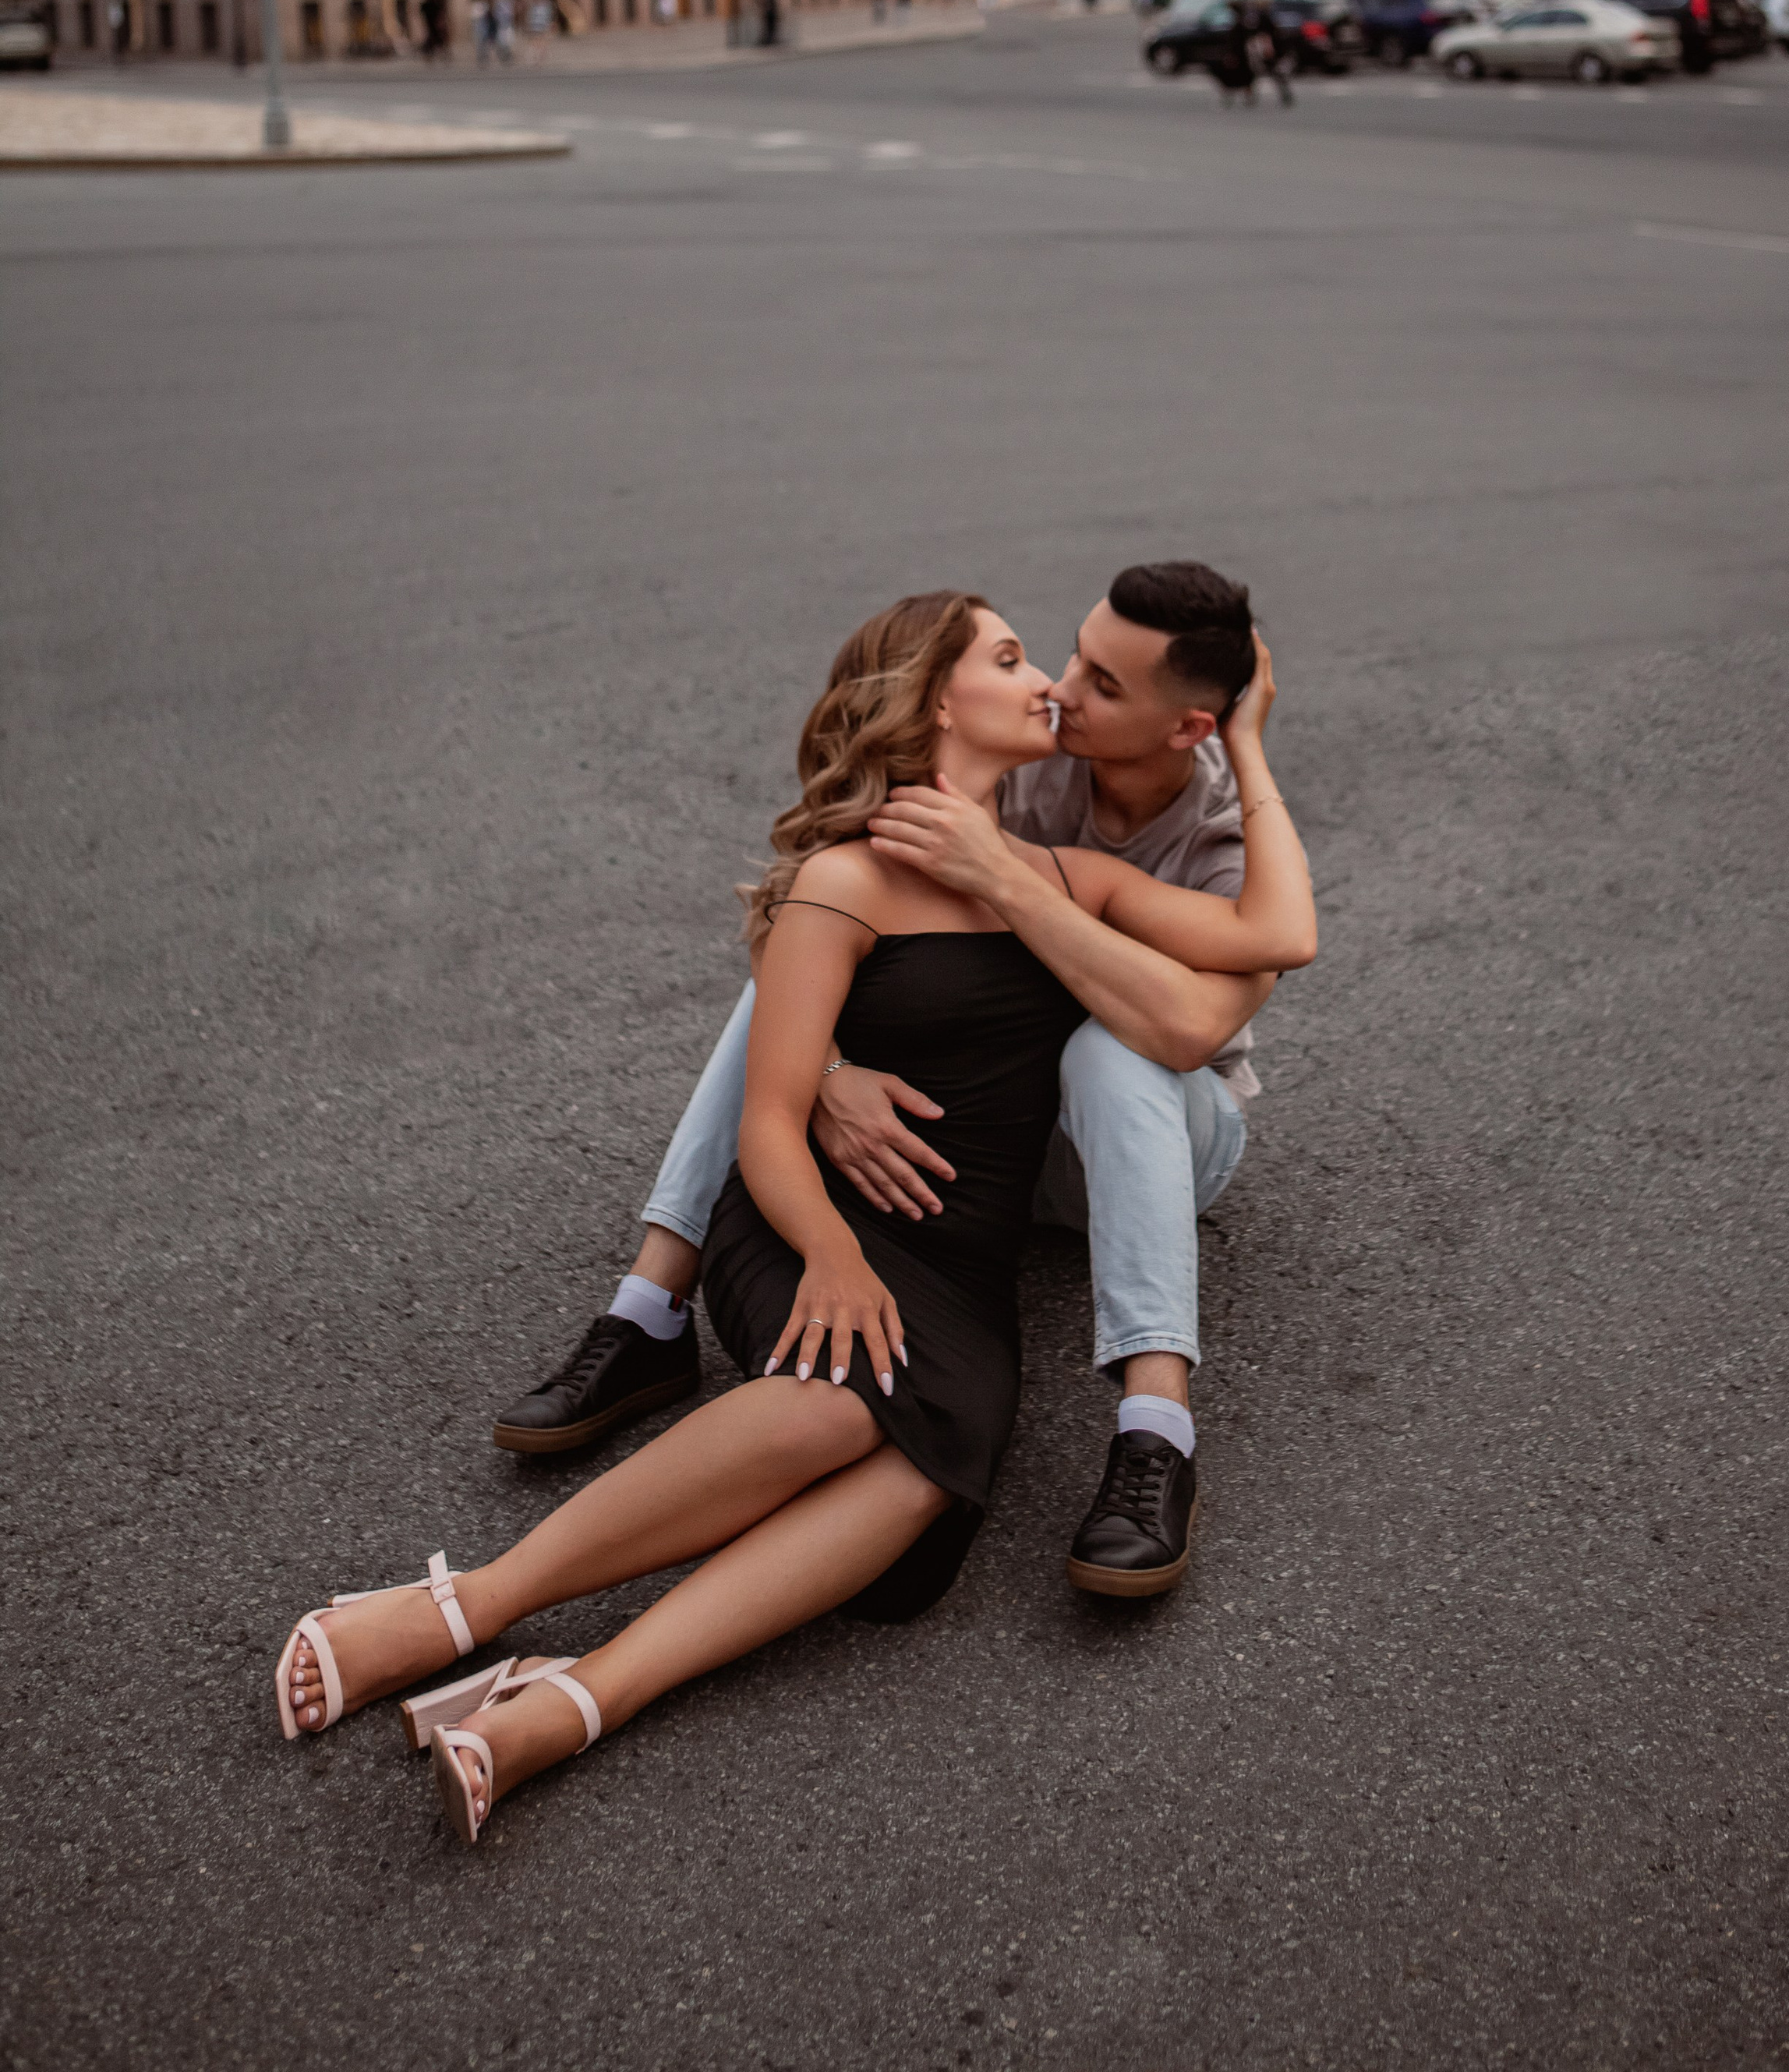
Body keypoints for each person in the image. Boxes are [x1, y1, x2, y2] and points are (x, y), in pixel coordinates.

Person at [274, 594, 1314, 1847]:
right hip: (820, 1223)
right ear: (937, 701)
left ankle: (573, 1700)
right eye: (1013, 657)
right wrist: (826, 1233)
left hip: (966, 1262)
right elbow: (769, 1125)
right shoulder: (846, 874)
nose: (1048, 680)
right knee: (845, 1396)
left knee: (925, 1465)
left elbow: (1275, 935)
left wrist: (1244, 749)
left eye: (1066, 666)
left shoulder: (1065, 868)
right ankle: (460, 1610)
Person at [493, 562, 1275, 1596]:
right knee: (801, 963)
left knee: (1108, 1047)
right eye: (1065, 655)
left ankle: (1155, 1428)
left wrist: (1012, 876)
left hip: (1154, 1136)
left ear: (1187, 729)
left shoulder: (1217, 834)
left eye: (1102, 684)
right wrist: (828, 1068)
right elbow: (802, 915)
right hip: (996, 1128)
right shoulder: (1028, 763)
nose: (1061, 686)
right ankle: (649, 1308)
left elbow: (1194, 1025)